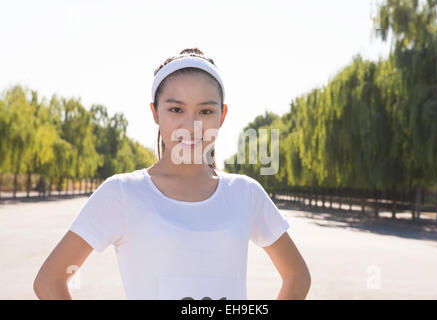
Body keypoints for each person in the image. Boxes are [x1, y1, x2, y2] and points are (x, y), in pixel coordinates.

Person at [33, 48, 311, 300]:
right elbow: (50, 281)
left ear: (222, 116)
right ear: (155, 112)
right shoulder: (122, 192)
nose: (191, 125)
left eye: (205, 111)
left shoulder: (245, 193)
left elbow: (297, 276)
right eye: (176, 109)